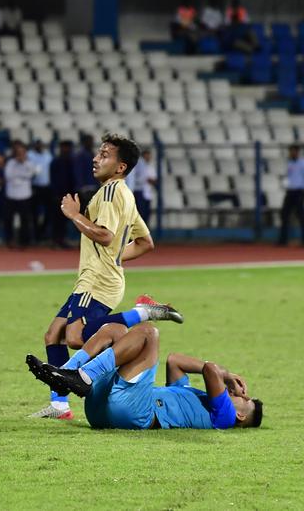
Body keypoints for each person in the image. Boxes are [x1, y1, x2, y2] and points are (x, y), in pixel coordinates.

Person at [31, 134, 181, 420]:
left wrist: (74, 215)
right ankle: (60, 406)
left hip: (97, 281)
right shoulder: (124, 194)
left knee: (75, 337)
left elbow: (105, 235)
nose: (96, 158)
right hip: (100, 276)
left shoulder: (112, 192)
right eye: (98, 153)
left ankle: (141, 314)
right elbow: (145, 243)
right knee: (54, 335)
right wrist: (114, 258)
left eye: (104, 154)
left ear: (120, 166)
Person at [27, 323, 262, 430]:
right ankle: (65, 376)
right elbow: (174, 360)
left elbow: (209, 369)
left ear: (241, 415)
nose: (238, 393)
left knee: (150, 332)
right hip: (101, 412)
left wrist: (227, 375)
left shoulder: (226, 418)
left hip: (136, 413)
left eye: (244, 398)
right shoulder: (195, 398)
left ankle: (81, 377)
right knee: (115, 330)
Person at [3, 142, 36, 248]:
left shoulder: (29, 163)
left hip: (24, 195)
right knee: (8, 219)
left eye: (22, 152)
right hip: (11, 195)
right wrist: (22, 175)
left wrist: (21, 171)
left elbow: (30, 175)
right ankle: (9, 240)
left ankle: (24, 242)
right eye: (18, 152)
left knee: (25, 220)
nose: (20, 154)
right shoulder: (10, 163)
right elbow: (8, 176)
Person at [48, 140, 76, 247]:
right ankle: (55, 240)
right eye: (65, 147)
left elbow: (72, 179)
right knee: (56, 219)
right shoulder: (56, 161)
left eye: (68, 147)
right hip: (57, 195)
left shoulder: (71, 161)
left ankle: (62, 239)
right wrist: (55, 193)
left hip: (68, 194)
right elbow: (53, 179)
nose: (67, 149)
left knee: (65, 219)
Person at [280, 144, 304, 246]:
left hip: (299, 191)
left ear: (298, 152)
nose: (292, 153)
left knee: (301, 216)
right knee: (284, 215)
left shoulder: (302, 163)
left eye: (294, 151)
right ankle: (283, 240)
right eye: (291, 151)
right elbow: (286, 177)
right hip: (289, 191)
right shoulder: (288, 163)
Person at [29, 139, 53, 239]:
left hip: (46, 187)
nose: (39, 146)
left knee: (48, 211)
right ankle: (36, 233)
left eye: (41, 144)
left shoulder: (48, 156)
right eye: (37, 144)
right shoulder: (30, 155)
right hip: (34, 186)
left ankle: (43, 230)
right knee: (34, 212)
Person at [129, 148, 154, 222]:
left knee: (143, 212)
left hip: (141, 190)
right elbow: (138, 177)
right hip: (138, 190)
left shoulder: (143, 164)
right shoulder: (139, 163)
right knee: (141, 212)